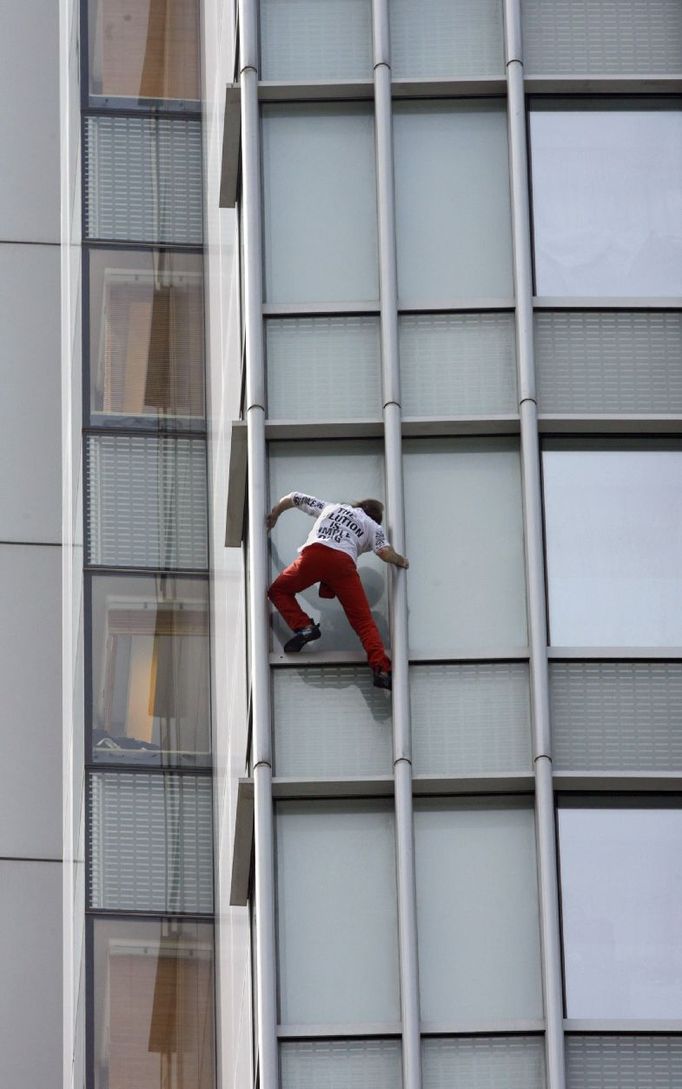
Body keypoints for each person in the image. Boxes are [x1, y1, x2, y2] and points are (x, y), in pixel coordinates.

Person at [266, 492, 409, 690]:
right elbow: (385, 553)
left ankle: (304, 627)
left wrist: (275, 514)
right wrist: (402, 561)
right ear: (377, 518)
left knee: (278, 591)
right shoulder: (373, 526)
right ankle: (382, 670)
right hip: (342, 565)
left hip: (314, 555)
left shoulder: (330, 507)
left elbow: (294, 498)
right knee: (364, 622)